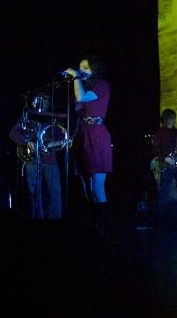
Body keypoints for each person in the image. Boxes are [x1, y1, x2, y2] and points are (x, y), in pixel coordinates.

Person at [63, 54, 113, 231]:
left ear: (95, 68)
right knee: (85, 182)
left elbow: (83, 98)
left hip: (97, 135)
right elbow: (79, 117)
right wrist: (73, 137)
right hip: (83, 134)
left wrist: (75, 76)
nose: (81, 70)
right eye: (80, 67)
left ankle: (102, 225)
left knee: (97, 184)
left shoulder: (102, 85)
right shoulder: (85, 86)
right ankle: (92, 221)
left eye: (85, 67)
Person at [9, 92, 63, 220]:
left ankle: (55, 220)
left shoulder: (53, 118)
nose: (45, 102)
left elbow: (61, 136)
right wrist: (25, 141)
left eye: (48, 100)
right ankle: (36, 218)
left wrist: (64, 141)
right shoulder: (28, 117)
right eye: (43, 100)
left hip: (50, 160)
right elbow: (13, 133)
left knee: (55, 191)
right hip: (32, 160)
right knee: (34, 191)